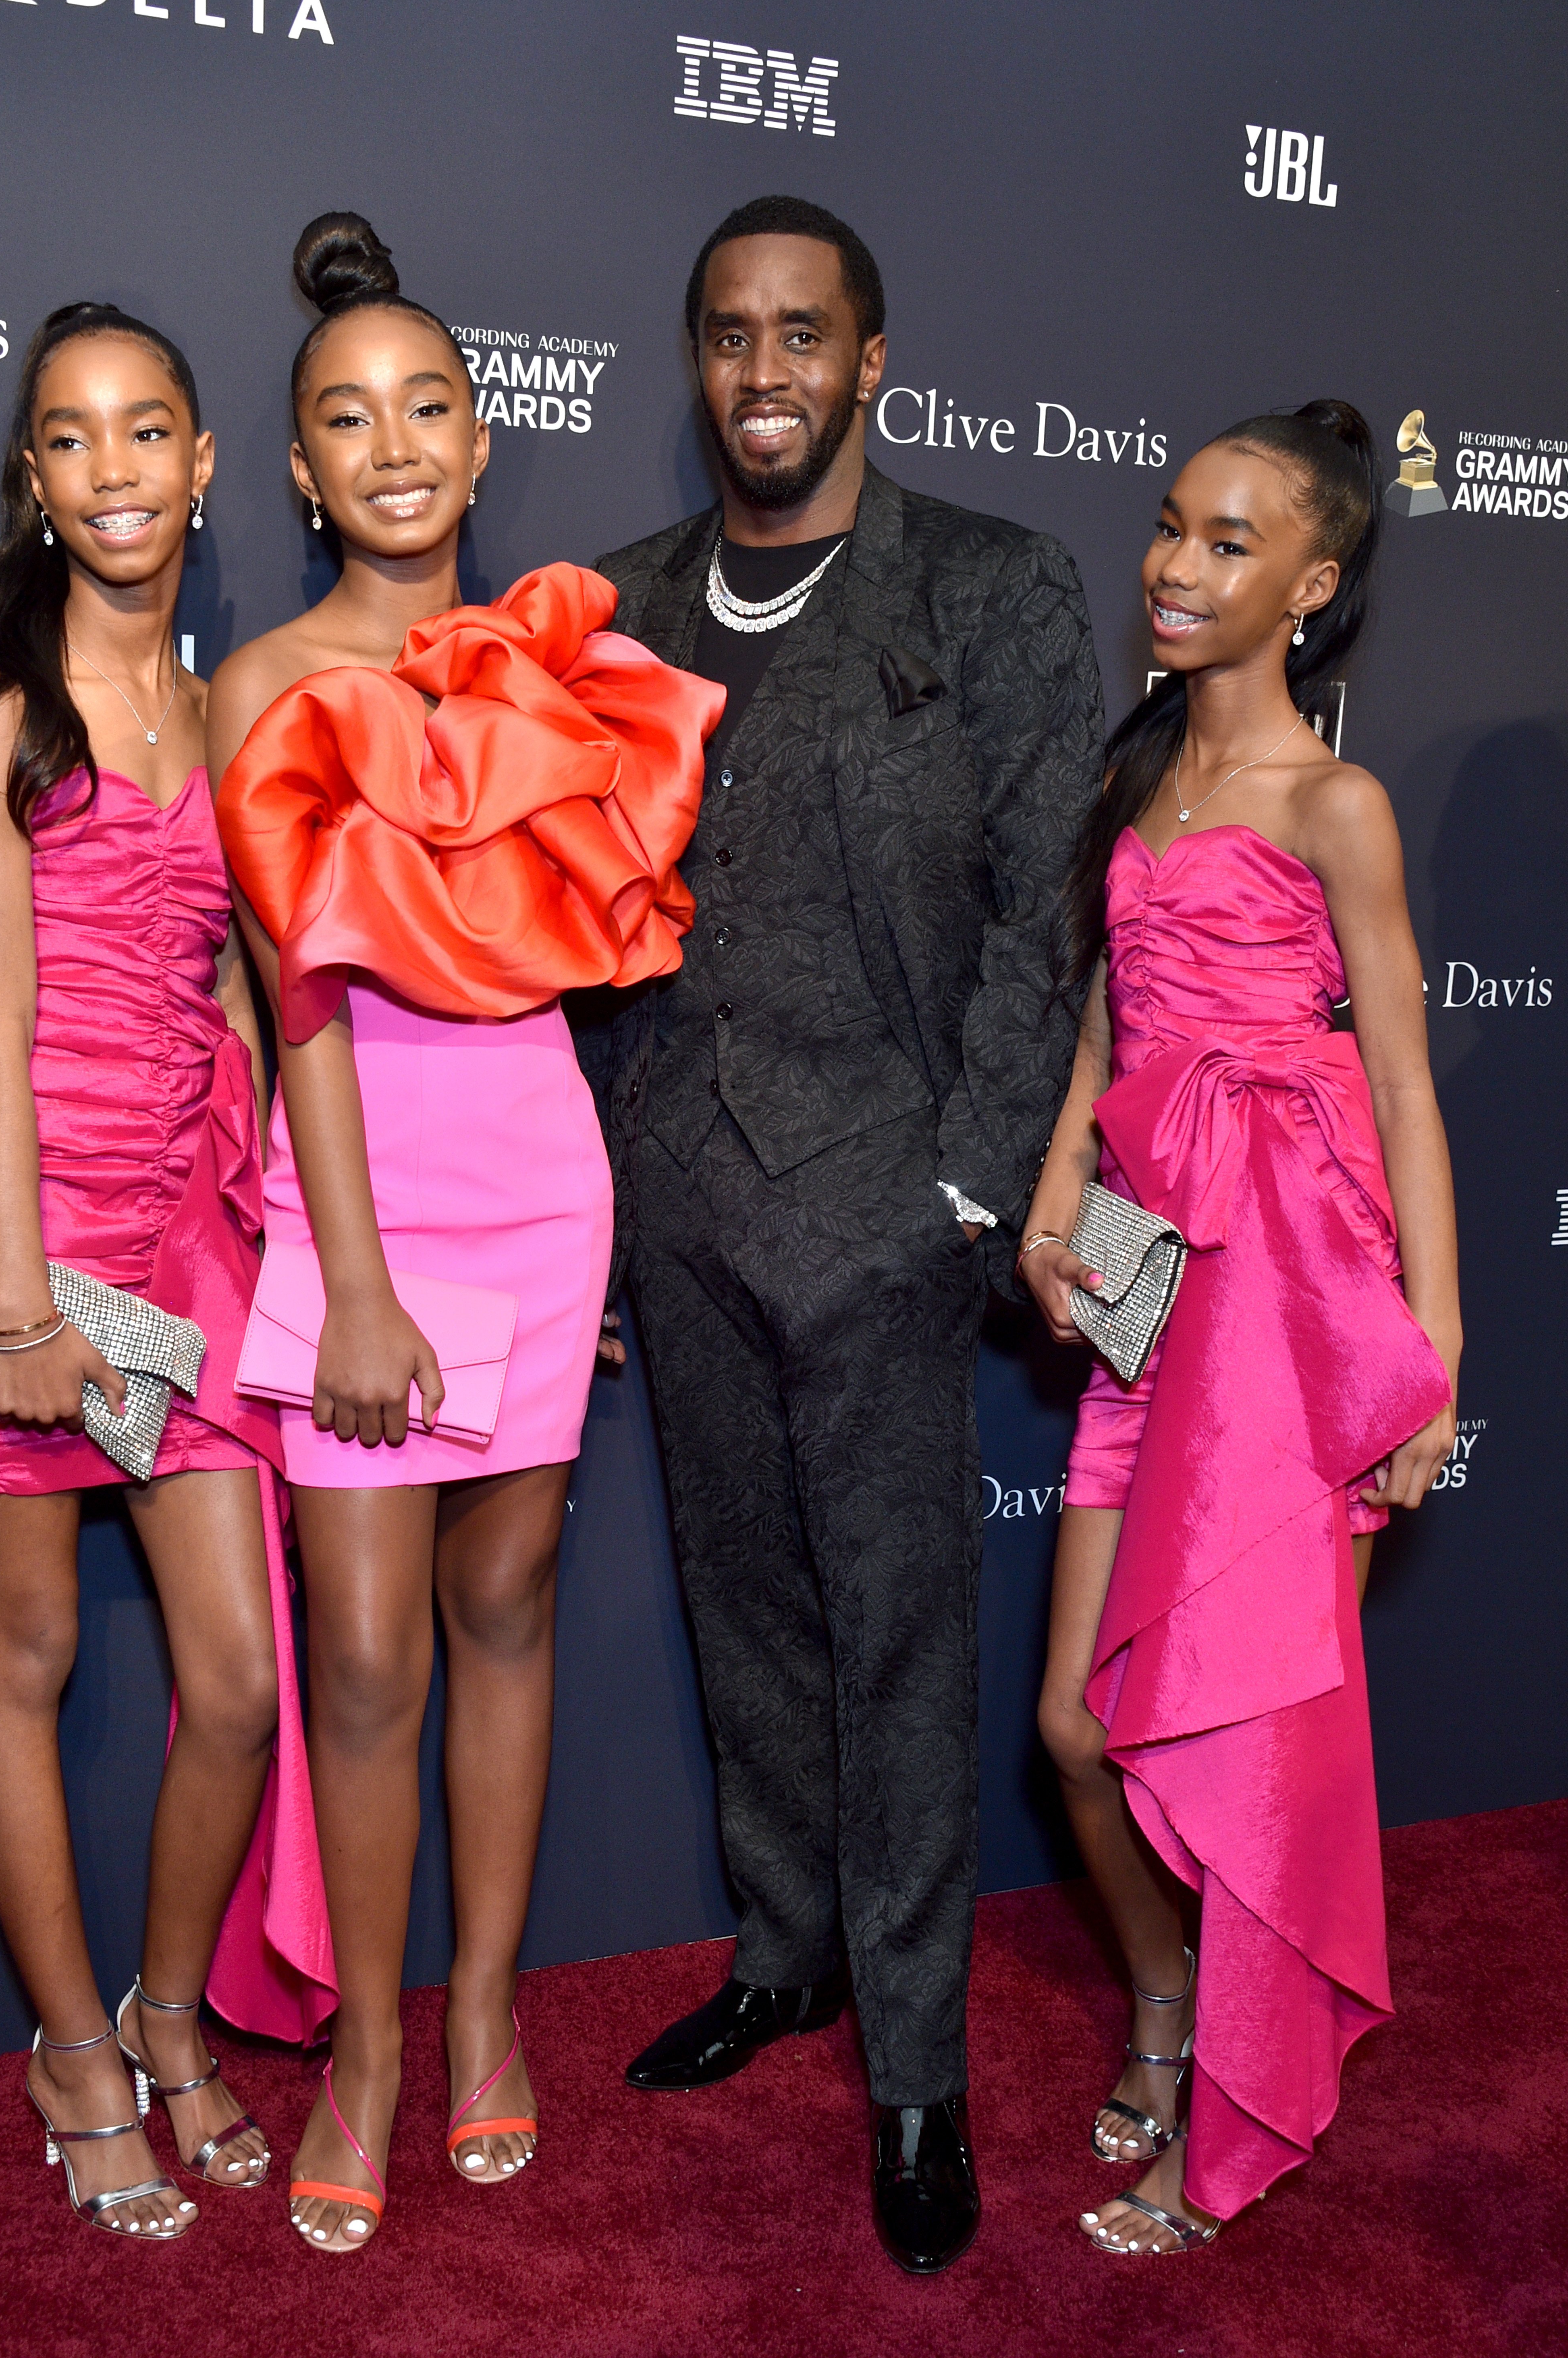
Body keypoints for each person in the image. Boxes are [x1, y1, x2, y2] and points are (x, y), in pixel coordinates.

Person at [571, 195, 1104, 2274]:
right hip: (682, 1191)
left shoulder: (987, 590)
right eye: (728, 332)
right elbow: (554, 933)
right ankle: (781, 1955)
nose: (764, 368)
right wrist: (605, 1212)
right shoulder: (612, 611)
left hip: (892, 1196)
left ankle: (913, 2072)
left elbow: (1042, 921)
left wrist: (969, 1187)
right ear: (692, 359)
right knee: (745, 1603)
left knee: (895, 1639)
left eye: (804, 332)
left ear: (869, 360)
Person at [206, 212, 717, 2256]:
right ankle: (369, 2057)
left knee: (504, 1617)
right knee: (359, 1653)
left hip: (540, 1181)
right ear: (305, 472)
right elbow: (299, 1003)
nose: (395, 443)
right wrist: (351, 1278)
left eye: (429, 404)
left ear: (484, 441)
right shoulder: (265, 680)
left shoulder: (557, 670)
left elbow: (588, 971)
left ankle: (489, 2013)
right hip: (364, 1199)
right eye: (349, 417)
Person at [1023, 401, 1459, 2254]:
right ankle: (1162, 1998)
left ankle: (1232, 2119)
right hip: (1147, 1286)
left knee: (1255, 1738)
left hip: (1288, 1314)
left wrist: (1427, 1353)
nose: (1176, 566)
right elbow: (1109, 1039)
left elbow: (1409, 1088)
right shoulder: (1139, 786)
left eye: (1224, 541)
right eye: (1169, 528)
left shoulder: (1330, 804)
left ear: (1313, 583)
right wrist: (1054, 1199)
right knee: (1073, 1726)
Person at [0, 303, 331, 2242]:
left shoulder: (226, 708)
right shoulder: (13, 718)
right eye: (71, 440)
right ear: (37, 480)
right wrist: (14, 1311)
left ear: (202, 465)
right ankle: (71, 2048)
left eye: (145, 432)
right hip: (32, 1226)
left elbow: (264, 986)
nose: (111, 471)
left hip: (188, 1226)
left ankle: (172, 2012)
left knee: (238, 1684)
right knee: (31, 1652)